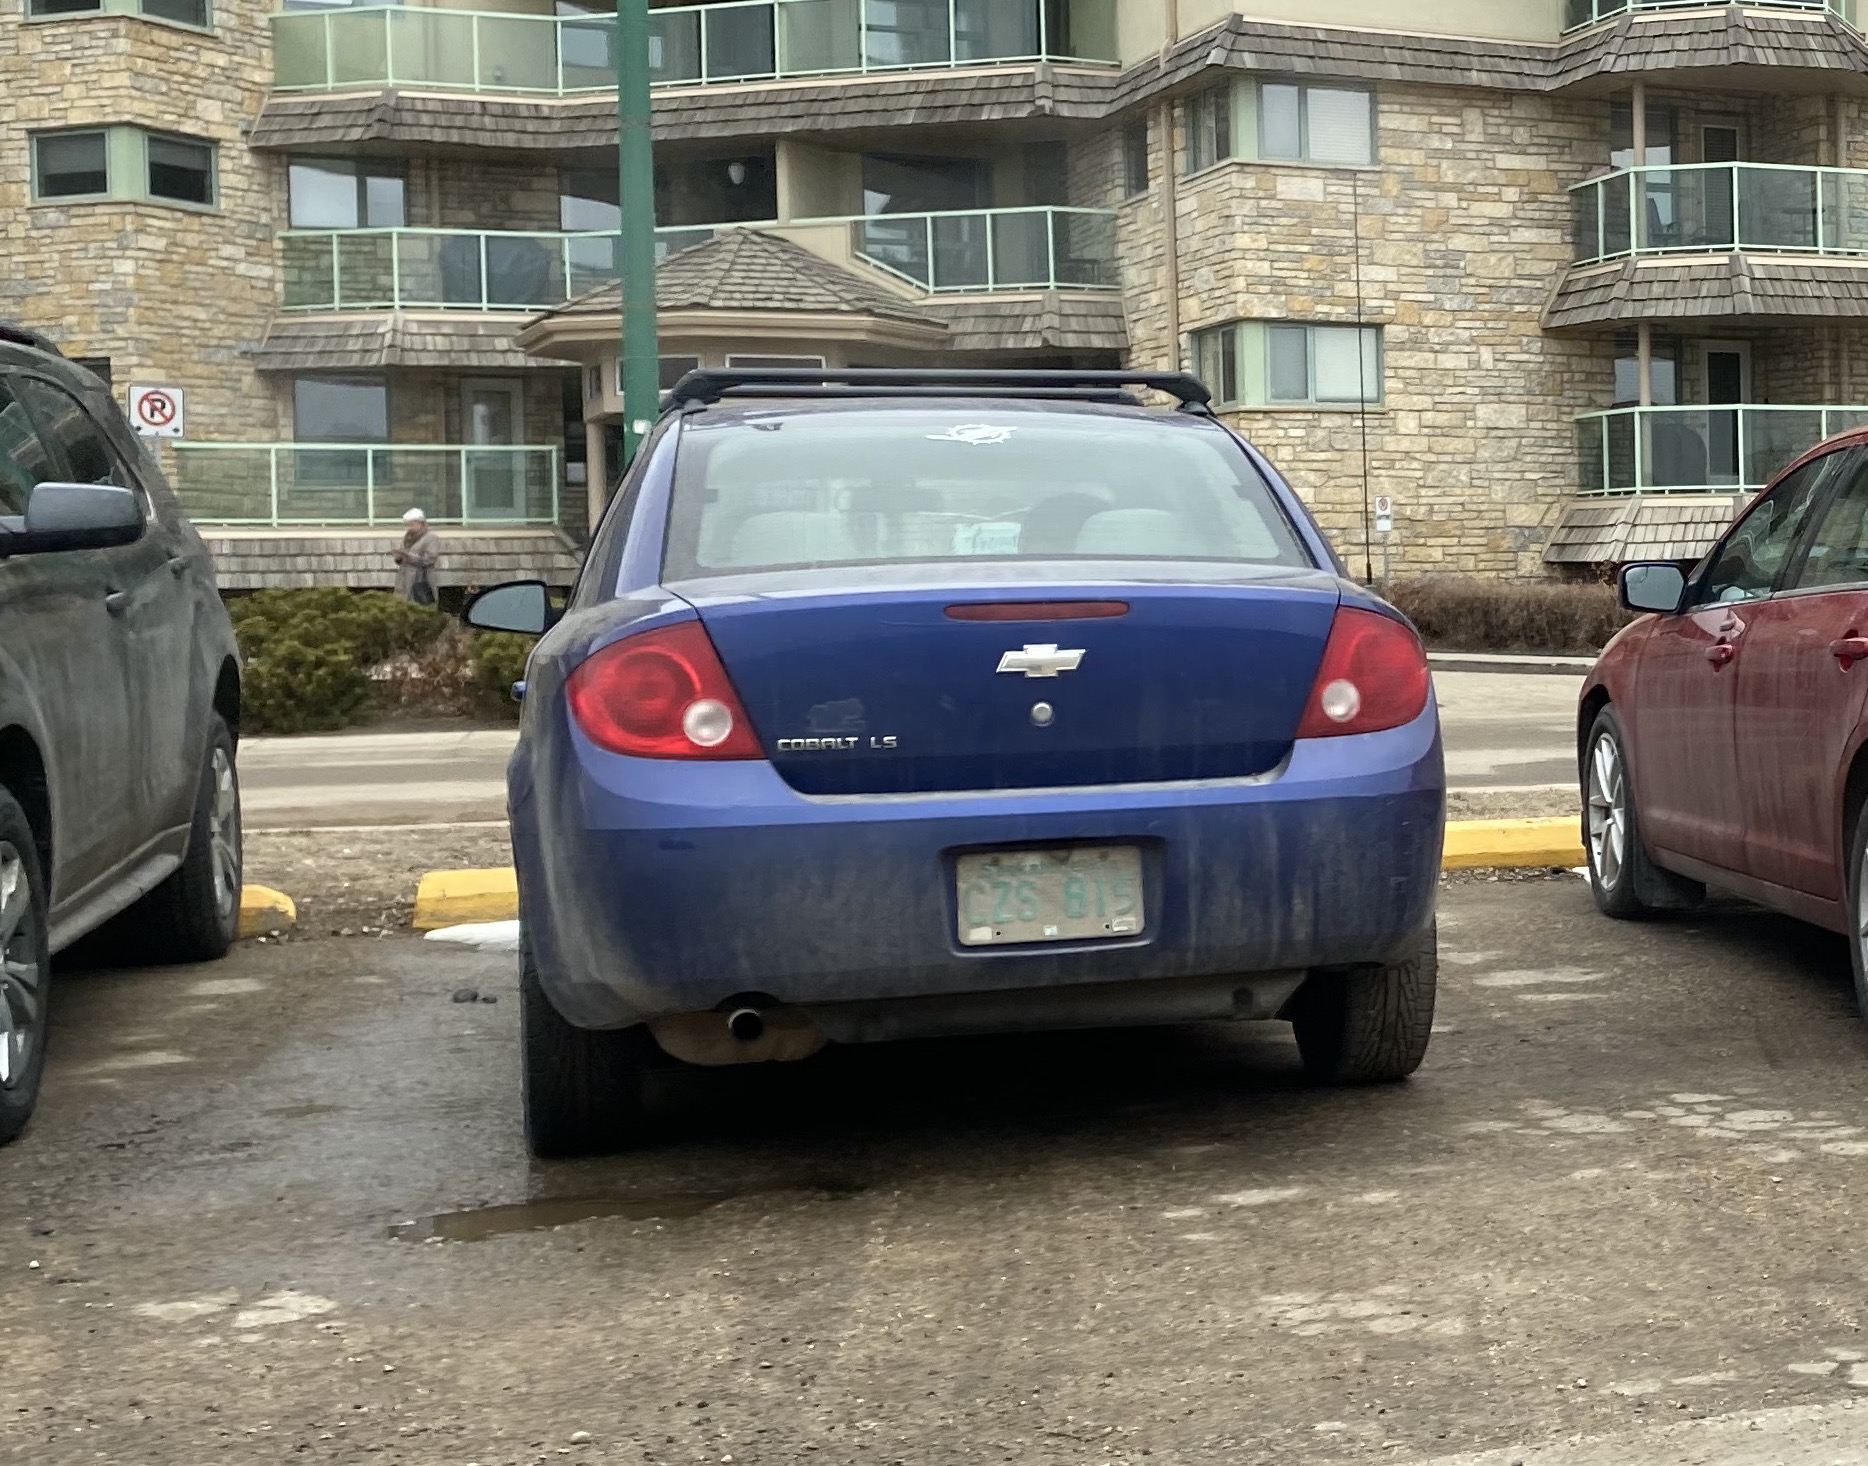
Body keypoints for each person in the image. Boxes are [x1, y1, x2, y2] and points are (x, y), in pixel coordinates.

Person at [393, 508, 441, 605]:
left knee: (420, 605)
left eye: (412, 524)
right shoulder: (408, 537)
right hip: (404, 578)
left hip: (421, 578)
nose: (409, 527)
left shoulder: (430, 537)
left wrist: (409, 557)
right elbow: (404, 555)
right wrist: (399, 558)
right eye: (407, 525)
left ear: (421, 523)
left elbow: (430, 559)